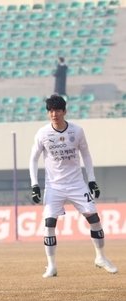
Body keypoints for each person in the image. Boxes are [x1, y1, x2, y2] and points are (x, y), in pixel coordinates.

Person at [29, 95, 117, 279]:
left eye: (58, 110)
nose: (54, 114)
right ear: (48, 113)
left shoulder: (77, 131)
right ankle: (51, 266)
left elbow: (86, 155)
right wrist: (34, 184)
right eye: (51, 111)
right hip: (54, 186)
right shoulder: (43, 133)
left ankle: (100, 258)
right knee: (49, 223)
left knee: (94, 219)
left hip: (77, 184)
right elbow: (33, 159)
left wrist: (91, 180)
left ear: (64, 111)